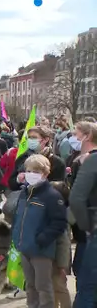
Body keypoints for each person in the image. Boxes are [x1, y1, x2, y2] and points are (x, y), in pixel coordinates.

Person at [11, 154, 67, 308]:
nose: (31, 174)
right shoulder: (25, 193)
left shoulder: (52, 196)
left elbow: (60, 223)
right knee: (30, 286)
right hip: (25, 247)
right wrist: (16, 237)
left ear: (45, 173)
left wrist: (41, 239)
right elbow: (16, 215)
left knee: (43, 287)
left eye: (36, 171)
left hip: (41, 251)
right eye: (29, 170)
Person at [68, 121, 97, 307]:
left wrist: (87, 227)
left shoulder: (91, 160)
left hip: (93, 230)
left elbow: (77, 198)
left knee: (88, 287)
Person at [8, 126, 66, 191]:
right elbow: (11, 184)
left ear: (46, 139)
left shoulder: (57, 162)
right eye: (29, 137)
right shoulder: (22, 158)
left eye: (34, 137)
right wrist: (18, 180)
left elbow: (60, 189)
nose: (30, 140)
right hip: (24, 198)